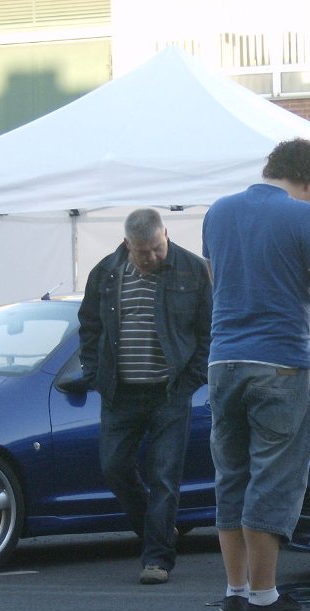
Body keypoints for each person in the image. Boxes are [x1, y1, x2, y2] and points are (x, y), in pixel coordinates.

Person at [202, 138, 310, 611]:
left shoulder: (218, 212)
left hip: (223, 360)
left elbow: (216, 280)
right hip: (279, 361)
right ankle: (265, 597)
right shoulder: (302, 215)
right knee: (273, 477)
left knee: (232, 475)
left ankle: (235, 591)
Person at [77, 208, 212, 585]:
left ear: (166, 234)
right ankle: (159, 531)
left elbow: (208, 331)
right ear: (127, 245)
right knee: (113, 467)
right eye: (143, 252)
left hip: (170, 392)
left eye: (157, 248)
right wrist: (94, 374)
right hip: (119, 392)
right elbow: (89, 327)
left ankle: (157, 559)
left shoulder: (193, 270)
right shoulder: (105, 273)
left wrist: (190, 380)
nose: (151, 257)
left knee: (165, 476)